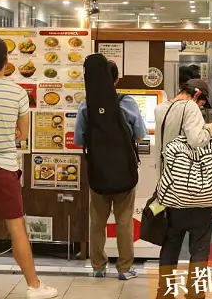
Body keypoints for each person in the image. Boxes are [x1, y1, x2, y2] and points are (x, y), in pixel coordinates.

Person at [0, 38, 58, 299]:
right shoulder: (17, 92)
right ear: (7, 62)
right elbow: (23, 133)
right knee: (16, 228)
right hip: (3, 166)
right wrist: (6, 135)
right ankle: (34, 286)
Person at [74, 60, 148, 280]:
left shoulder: (86, 105)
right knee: (124, 222)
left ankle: (98, 266)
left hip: (98, 172)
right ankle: (124, 269)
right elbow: (140, 134)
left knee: (97, 222)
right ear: (115, 80)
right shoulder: (127, 102)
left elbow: (80, 140)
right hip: (124, 172)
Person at [153, 79, 212, 299]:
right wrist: (209, 129)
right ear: (196, 94)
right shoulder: (190, 107)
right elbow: (196, 140)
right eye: (202, 102)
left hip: (169, 189)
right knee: (199, 245)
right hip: (193, 190)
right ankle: (195, 294)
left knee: (170, 244)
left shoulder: (161, 108)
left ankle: (165, 292)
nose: (201, 107)